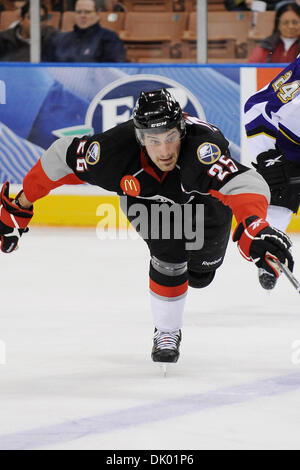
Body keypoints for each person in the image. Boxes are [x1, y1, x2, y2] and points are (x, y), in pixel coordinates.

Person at [0, 89, 294, 364]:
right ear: (140, 138)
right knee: (169, 253)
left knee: (202, 274)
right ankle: (167, 331)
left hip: (204, 200)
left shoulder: (202, 152)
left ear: (181, 130)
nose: (164, 150)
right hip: (147, 201)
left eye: (169, 137)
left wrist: (254, 224)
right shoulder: (113, 151)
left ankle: (194, 273)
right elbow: (59, 158)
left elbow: (245, 183)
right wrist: (21, 204)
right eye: (153, 140)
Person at [244, 56, 300, 289]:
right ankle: (270, 249)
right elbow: (256, 108)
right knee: (281, 190)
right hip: (287, 145)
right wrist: (267, 156)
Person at [44, 0, 126, 63]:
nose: (83, 16)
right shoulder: (59, 40)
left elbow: (113, 69)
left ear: (98, 15)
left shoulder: (109, 38)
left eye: (87, 12)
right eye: (79, 12)